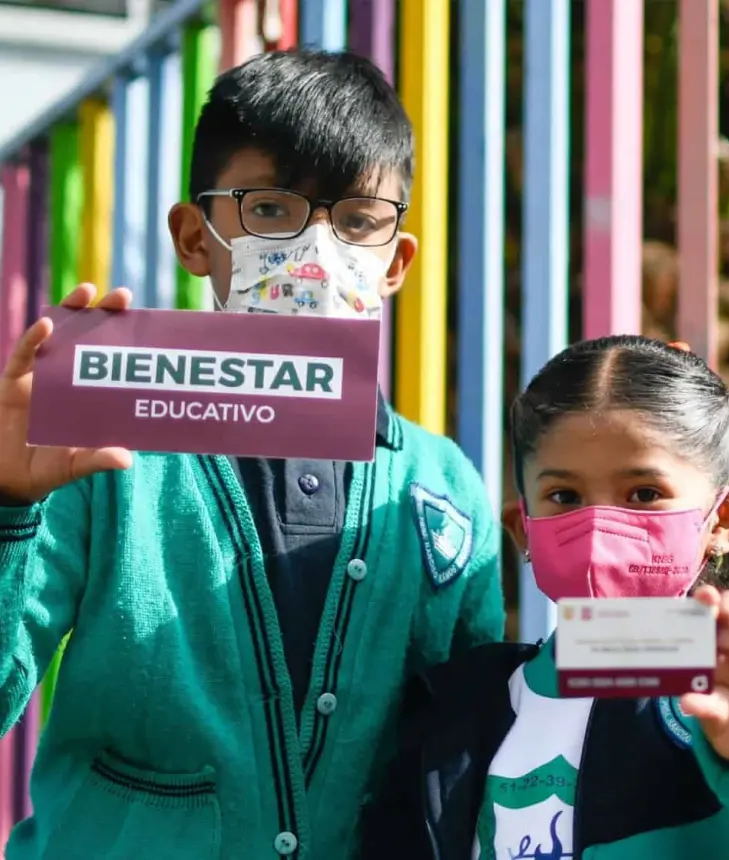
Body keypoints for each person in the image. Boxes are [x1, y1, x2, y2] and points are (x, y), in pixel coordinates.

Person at [0, 50, 502, 859]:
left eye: (356, 221)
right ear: (196, 239)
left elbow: (464, 756)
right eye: (270, 210)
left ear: (395, 263)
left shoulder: (440, 489)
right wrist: (5, 507)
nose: (314, 248)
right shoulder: (95, 448)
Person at [360, 336, 729, 859]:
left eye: (644, 494)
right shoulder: (459, 704)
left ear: (724, 520)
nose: (597, 525)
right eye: (564, 497)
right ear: (522, 530)